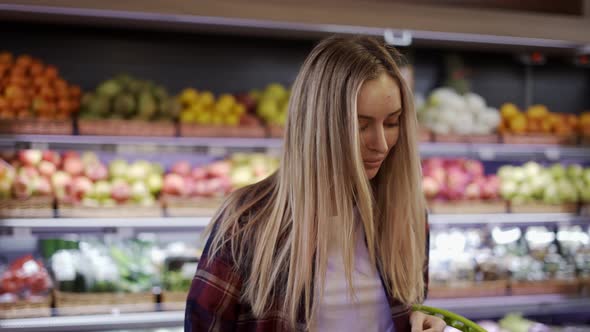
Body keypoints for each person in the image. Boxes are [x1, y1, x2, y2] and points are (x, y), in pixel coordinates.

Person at [185, 35, 446, 332]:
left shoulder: (406, 215)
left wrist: (420, 321)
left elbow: (400, 311)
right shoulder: (247, 221)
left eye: (392, 122)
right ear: (319, 126)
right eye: (360, 126)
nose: (382, 144)